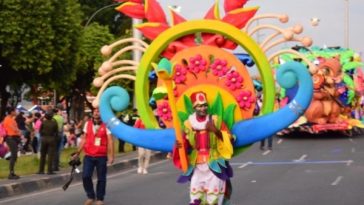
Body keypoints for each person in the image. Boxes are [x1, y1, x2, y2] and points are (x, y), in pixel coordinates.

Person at [173, 91, 234, 205]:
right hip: (197, 165)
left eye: (205, 105)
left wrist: (215, 130)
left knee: (214, 199)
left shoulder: (216, 120)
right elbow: (183, 143)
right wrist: (178, 146)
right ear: (194, 107)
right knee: (196, 197)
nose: (203, 108)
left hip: (215, 164)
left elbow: (230, 138)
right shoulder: (188, 124)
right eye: (200, 106)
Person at [73, 108, 114, 205]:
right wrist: (77, 152)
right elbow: (84, 139)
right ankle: (90, 196)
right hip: (89, 155)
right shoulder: (88, 124)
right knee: (86, 176)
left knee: (101, 178)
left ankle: (100, 198)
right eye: (95, 111)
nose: (96, 113)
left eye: (99, 111)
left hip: (101, 156)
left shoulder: (107, 124)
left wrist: (111, 156)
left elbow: (110, 141)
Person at [3, 107, 22, 179]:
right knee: (14, 155)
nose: (16, 112)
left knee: (14, 155)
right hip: (10, 138)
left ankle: (12, 172)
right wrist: (19, 132)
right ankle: (11, 173)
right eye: (15, 110)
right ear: (11, 112)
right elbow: (14, 129)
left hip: (14, 138)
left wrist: (19, 133)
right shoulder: (7, 119)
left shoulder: (12, 119)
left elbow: (16, 129)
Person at [37, 111, 58, 175]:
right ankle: (49, 170)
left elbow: (40, 131)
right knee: (50, 155)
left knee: (43, 155)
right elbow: (56, 132)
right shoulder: (54, 123)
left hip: (44, 139)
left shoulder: (43, 122)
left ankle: (41, 170)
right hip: (51, 139)